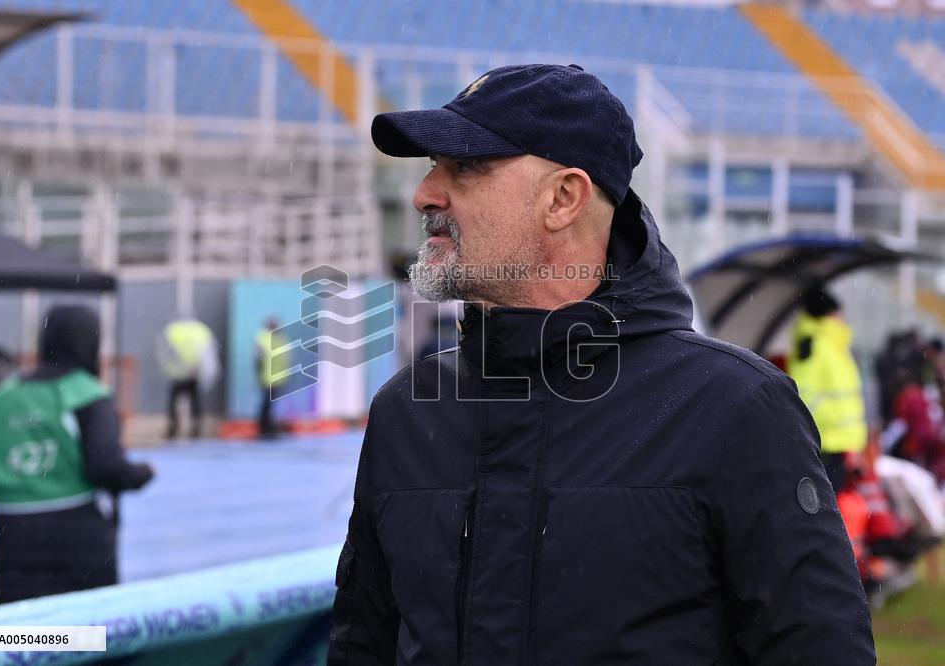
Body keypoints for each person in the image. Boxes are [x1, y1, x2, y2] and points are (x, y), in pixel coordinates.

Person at [329, 64, 874, 664]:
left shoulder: (733, 408)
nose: (425, 192)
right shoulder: (406, 412)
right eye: (432, 166)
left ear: (564, 198)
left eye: (465, 166)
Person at [0, 305, 154, 604]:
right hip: (78, 534)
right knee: (84, 634)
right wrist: (142, 473)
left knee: (16, 633)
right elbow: (105, 466)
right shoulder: (86, 394)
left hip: (13, 532)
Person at [786, 286, 867, 493]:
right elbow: (804, 397)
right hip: (827, 442)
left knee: (832, 503)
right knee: (825, 504)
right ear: (830, 314)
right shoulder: (815, 346)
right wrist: (834, 424)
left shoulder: (834, 345)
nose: (843, 317)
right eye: (840, 312)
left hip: (838, 442)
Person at [157, 317, 219, 439]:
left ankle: (173, 428)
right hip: (193, 374)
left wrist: (171, 370)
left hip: (177, 375)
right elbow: (207, 355)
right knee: (194, 402)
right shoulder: (199, 332)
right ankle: (195, 428)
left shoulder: (172, 332)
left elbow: (165, 354)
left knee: (174, 403)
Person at [255, 317, 290, 439]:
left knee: (271, 406)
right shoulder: (264, 339)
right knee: (266, 406)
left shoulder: (279, 339)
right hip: (268, 379)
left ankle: (269, 428)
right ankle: (264, 429)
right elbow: (258, 360)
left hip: (278, 379)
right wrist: (259, 377)